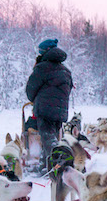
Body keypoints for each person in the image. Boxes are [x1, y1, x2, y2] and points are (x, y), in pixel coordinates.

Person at [25, 38, 73, 173]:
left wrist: (36, 99)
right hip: (61, 111)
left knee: (48, 139)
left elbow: (31, 89)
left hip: (45, 109)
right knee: (52, 136)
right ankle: (45, 165)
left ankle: (58, 163)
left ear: (44, 52)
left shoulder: (42, 68)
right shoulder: (65, 70)